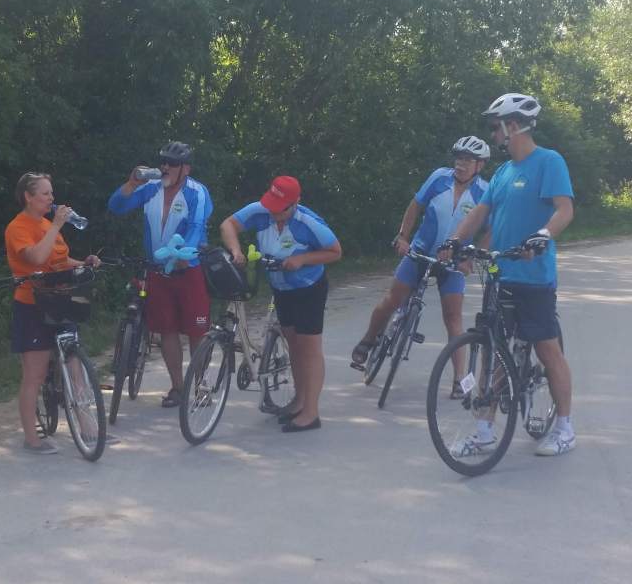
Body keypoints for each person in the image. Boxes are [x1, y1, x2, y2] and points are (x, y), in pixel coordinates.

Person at [439, 93, 576, 457]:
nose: (493, 134)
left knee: (547, 349)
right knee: (492, 352)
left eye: (495, 127)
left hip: (533, 276)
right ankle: (484, 431)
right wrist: (454, 241)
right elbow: (480, 213)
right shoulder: (503, 173)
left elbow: (564, 209)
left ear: (513, 126)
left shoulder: (548, 161)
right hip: (501, 274)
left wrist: (542, 236)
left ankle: (565, 428)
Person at [350, 136, 491, 397]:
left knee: (453, 317)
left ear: (479, 165)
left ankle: (459, 380)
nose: (460, 164)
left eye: (467, 160)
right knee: (392, 299)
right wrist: (403, 237)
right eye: (458, 158)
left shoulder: (485, 191)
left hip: (452, 262)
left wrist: (470, 258)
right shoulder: (439, 178)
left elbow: (490, 229)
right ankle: (368, 340)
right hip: (420, 252)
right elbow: (415, 206)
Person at [220, 175, 342, 432]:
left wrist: (303, 259)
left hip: (308, 288)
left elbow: (335, 251)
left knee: (309, 348)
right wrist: (236, 250)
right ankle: (299, 400)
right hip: (281, 288)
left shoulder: (308, 223)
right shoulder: (261, 211)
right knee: (294, 344)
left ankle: (311, 413)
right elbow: (228, 224)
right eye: (271, 206)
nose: (274, 213)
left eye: (280, 209)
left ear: (295, 203)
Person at [107, 141, 213, 408]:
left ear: (185, 169)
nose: (165, 167)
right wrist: (131, 184)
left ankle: (201, 385)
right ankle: (178, 387)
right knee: (167, 330)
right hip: (157, 271)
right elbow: (116, 207)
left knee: (196, 331)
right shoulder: (151, 188)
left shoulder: (197, 192)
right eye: (162, 161)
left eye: (172, 163)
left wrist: (184, 254)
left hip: (187, 269)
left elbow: (197, 226)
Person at [5, 172, 101, 455]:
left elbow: (58, 259)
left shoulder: (48, 224)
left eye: (51, 193)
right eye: (45, 193)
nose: (51, 199)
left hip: (59, 300)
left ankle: (88, 428)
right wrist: (57, 224)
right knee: (34, 375)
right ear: (28, 197)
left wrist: (83, 263)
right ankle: (32, 439)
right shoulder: (18, 227)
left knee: (75, 363)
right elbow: (36, 258)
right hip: (32, 304)